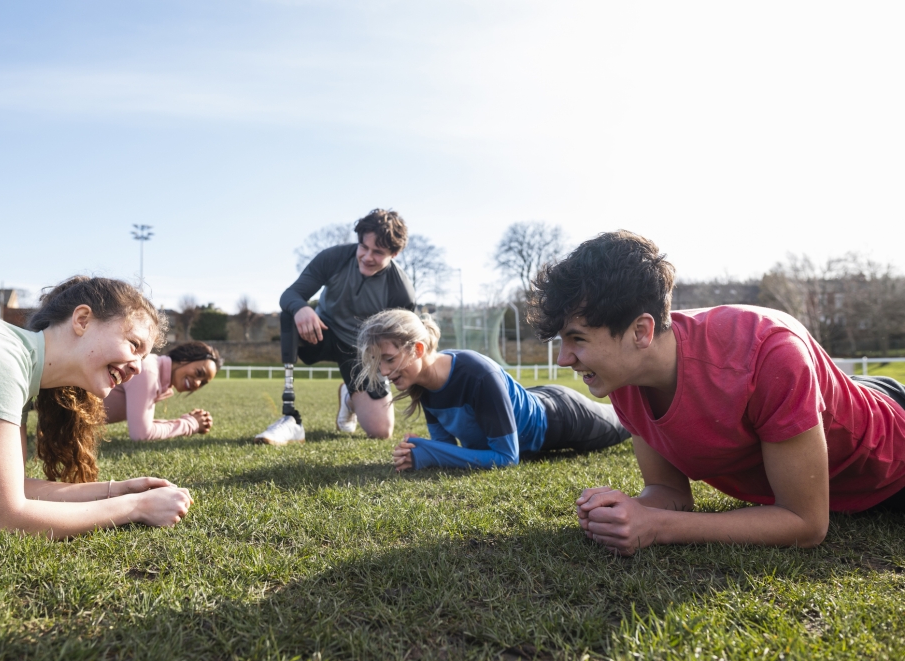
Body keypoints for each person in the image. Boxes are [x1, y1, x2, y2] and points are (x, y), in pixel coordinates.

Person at [527, 230, 905, 556]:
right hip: (837, 399)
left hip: (890, 448)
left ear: (640, 331)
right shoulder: (623, 375)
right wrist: (631, 511)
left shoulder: (768, 355)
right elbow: (667, 491)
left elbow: (806, 523)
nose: (563, 359)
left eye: (577, 339)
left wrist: (658, 527)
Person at [0, 276, 193, 538]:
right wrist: (134, 508)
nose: (138, 367)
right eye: (134, 345)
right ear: (82, 320)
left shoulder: (16, 368)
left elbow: (16, 488)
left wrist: (120, 490)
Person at [355, 309, 630, 471]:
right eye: (379, 363)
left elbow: (506, 458)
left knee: (630, 421)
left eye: (388, 360)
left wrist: (429, 452)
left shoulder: (476, 374)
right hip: (536, 395)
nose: (384, 372)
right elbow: (448, 451)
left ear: (417, 349)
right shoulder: (423, 384)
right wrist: (420, 451)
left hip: (564, 416)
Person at [254, 208, 416, 445]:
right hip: (321, 332)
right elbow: (291, 294)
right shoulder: (334, 258)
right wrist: (302, 308)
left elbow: (397, 344)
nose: (367, 256)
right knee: (290, 313)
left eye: (378, 252)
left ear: (395, 253)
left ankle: (349, 398)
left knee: (381, 431)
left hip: (362, 350)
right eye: (364, 246)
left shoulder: (401, 291)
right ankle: (289, 417)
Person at [104, 340, 220, 440]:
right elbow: (141, 434)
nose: (197, 383)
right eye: (199, 373)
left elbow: (142, 425)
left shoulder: (157, 375)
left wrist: (188, 421)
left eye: (203, 383)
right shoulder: (148, 371)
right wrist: (190, 424)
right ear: (185, 358)